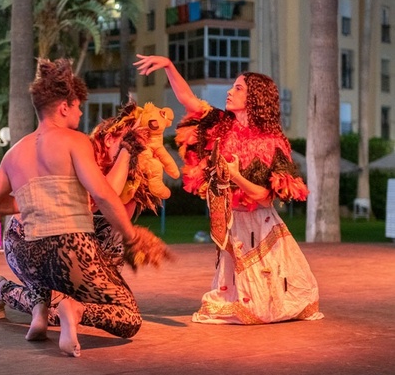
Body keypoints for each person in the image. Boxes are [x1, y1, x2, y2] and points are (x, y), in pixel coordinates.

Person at [0, 59, 170, 357]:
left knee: (45, 268)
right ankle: (76, 310)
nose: (81, 113)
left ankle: (40, 308)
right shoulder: (74, 141)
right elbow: (104, 194)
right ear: (64, 106)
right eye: (79, 106)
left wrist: (30, 202)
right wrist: (133, 237)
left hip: (25, 255)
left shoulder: (14, 152)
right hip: (70, 251)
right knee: (129, 316)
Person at [134, 54, 323, 325]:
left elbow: (262, 197)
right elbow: (189, 100)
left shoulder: (273, 144)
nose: (230, 92)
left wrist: (235, 176)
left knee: (265, 302)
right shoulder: (220, 125)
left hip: (260, 225)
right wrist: (169, 66)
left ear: (255, 98)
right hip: (230, 221)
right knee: (240, 297)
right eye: (232, 86)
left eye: (238, 88)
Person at [0, 102, 160, 326]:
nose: (135, 146)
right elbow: (100, 196)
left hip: (70, 249)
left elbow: (118, 222)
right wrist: (127, 151)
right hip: (28, 242)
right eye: (127, 141)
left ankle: (80, 300)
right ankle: (2, 288)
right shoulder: (81, 154)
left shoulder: (127, 174)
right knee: (52, 312)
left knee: (114, 234)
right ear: (109, 140)